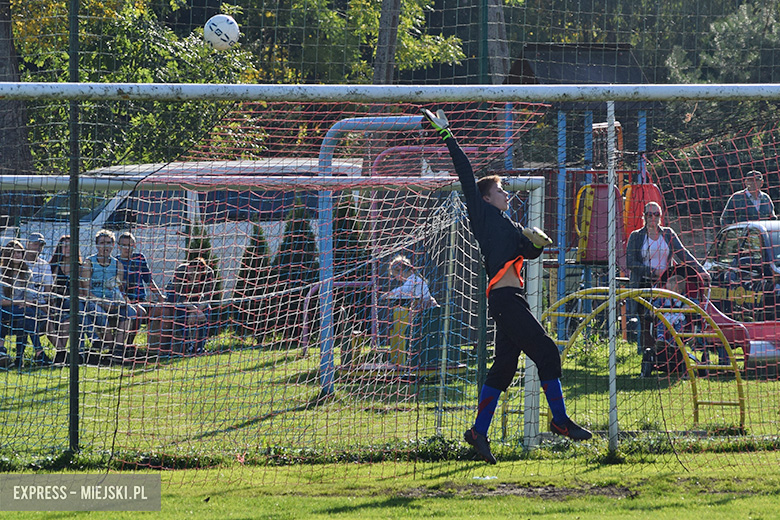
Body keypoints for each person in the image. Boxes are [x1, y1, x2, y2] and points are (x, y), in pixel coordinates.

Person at [422, 108, 591, 465]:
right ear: (486, 198)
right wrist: (447, 134)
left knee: (504, 368)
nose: (506, 194)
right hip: (504, 300)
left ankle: (477, 432)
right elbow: (468, 175)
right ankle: (559, 421)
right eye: (501, 190)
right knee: (547, 352)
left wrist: (537, 243)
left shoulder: (510, 225)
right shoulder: (482, 215)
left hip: (512, 299)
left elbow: (526, 253)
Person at [626, 202, 711, 349]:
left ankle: (670, 348)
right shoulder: (636, 236)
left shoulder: (668, 234)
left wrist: (701, 270)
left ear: (661, 216)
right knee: (646, 320)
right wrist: (653, 272)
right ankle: (645, 353)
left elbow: (683, 254)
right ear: (644, 216)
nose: (653, 217)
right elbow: (631, 262)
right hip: (644, 283)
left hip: (666, 285)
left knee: (669, 318)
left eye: (656, 214)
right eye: (649, 214)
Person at [81, 229, 132, 361]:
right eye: (102, 243)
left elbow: (118, 289)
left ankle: (118, 350)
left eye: (109, 243)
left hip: (112, 301)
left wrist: (118, 301)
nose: (106, 246)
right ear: (97, 245)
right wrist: (101, 302)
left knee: (130, 312)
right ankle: (111, 348)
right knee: (102, 315)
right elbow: (85, 291)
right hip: (93, 301)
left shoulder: (117, 265)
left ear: (113, 245)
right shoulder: (89, 263)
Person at [0, 240, 51, 368]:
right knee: (28, 313)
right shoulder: (1, 273)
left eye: (20, 252)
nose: (18, 255)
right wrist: (20, 302)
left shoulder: (26, 272)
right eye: (14, 252)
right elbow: (1, 301)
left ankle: (18, 359)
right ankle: (39, 353)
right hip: (3, 311)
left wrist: (23, 303)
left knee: (25, 318)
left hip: (20, 310)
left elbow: (29, 298)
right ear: (8, 255)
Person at [115, 231, 165, 344]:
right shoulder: (115, 262)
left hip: (140, 299)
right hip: (123, 300)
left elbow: (148, 279)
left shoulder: (139, 258)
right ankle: (127, 344)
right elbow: (116, 285)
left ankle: (157, 345)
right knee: (139, 313)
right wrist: (125, 298)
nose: (127, 248)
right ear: (118, 246)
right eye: (124, 245)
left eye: (130, 245)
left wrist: (160, 296)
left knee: (162, 310)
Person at [165, 257, 215, 355]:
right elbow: (179, 296)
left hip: (196, 299)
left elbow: (207, 296)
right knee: (181, 311)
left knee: (208, 310)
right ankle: (187, 346)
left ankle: (200, 347)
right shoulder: (181, 271)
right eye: (191, 274)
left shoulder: (209, 273)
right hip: (177, 297)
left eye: (197, 276)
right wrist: (194, 310)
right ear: (188, 269)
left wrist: (196, 311)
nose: (194, 278)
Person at [25, 233, 53, 361]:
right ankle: (39, 352)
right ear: (27, 244)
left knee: (55, 319)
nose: (38, 247)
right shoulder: (19, 263)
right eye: (35, 244)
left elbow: (48, 291)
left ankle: (62, 353)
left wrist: (49, 308)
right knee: (30, 316)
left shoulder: (44, 265)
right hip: (25, 303)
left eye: (40, 245)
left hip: (41, 304)